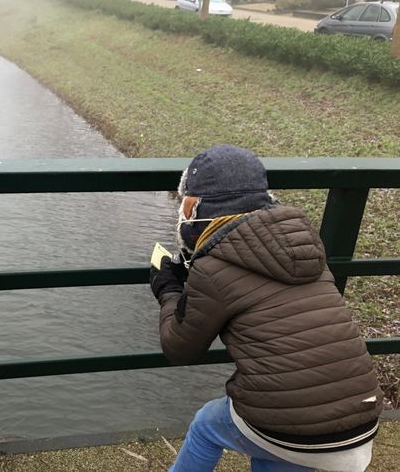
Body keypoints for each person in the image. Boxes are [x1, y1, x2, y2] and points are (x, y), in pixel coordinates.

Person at [149, 144, 383, 472]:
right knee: (276, 439)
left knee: (207, 425)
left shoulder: (212, 266)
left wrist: (168, 289)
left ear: (194, 207)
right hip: (360, 422)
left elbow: (180, 348)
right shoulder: (306, 245)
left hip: (291, 429)